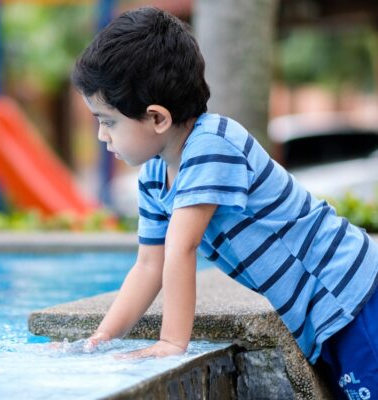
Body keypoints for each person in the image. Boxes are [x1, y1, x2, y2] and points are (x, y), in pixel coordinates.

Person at [71, 6, 378, 398]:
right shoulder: (153, 175)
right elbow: (150, 265)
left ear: (157, 118)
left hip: (350, 294)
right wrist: (103, 338)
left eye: (108, 121)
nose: (101, 135)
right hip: (323, 316)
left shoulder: (213, 144)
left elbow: (182, 248)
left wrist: (171, 343)